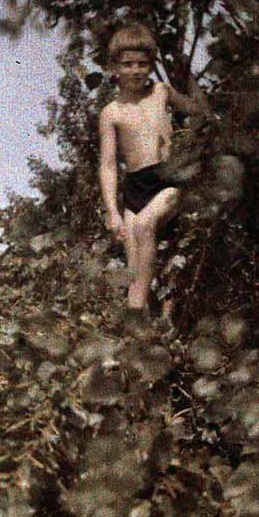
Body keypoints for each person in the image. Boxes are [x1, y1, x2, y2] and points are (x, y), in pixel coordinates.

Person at [98, 23, 209, 311]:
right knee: (137, 269)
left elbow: (198, 110)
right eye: (128, 64)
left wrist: (190, 76)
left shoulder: (160, 92)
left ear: (151, 65)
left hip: (168, 179)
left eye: (142, 64)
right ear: (114, 68)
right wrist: (112, 211)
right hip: (135, 187)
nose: (135, 70)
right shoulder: (111, 113)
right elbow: (109, 165)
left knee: (147, 226)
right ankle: (145, 339)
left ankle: (132, 313)